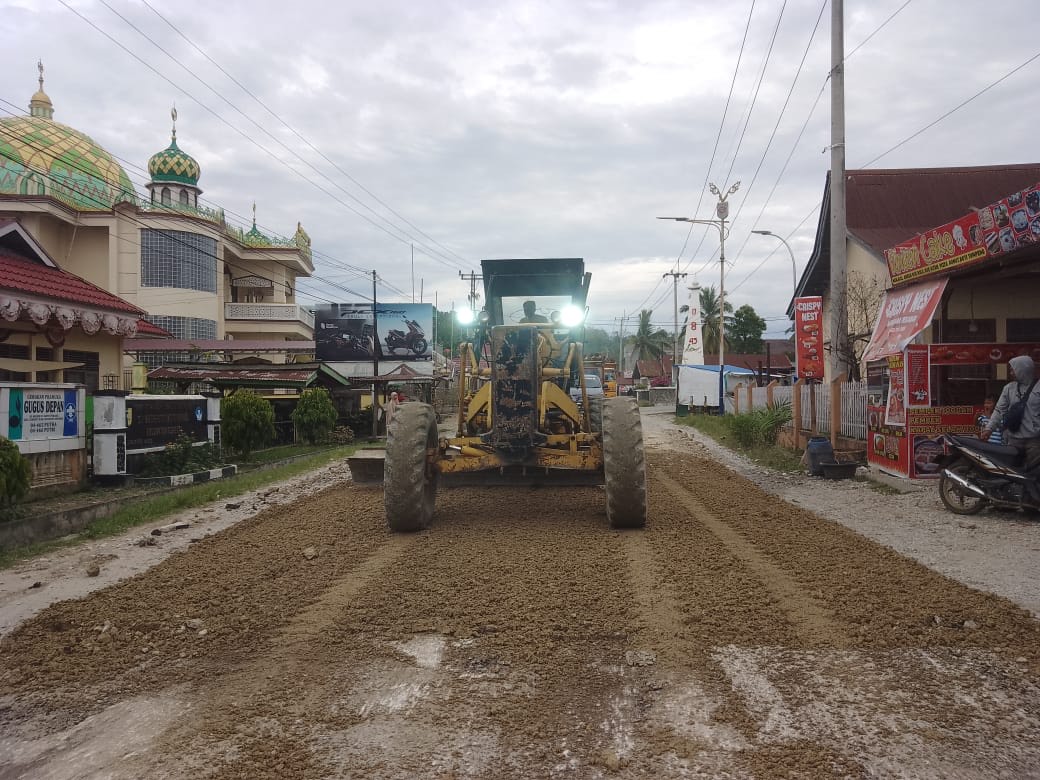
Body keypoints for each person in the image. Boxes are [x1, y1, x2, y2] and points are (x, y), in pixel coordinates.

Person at [981, 355, 1040, 470]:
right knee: (1012, 470)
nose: (1011, 372)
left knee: (1034, 471)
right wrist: (989, 429)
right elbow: (999, 410)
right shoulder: (1009, 388)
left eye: (1013, 369)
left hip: (1035, 441)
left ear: (1023, 369)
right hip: (1013, 439)